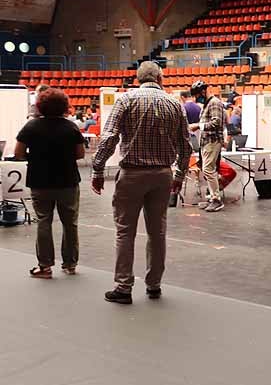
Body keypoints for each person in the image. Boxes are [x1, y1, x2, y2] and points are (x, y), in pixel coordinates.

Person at [92, 61, 191, 305]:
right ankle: (154, 284)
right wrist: (179, 175)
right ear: (160, 78)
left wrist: (97, 168)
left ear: (138, 78)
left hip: (132, 174)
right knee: (157, 232)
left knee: (125, 231)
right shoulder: (174, 103)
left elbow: (109, 137)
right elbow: (185, 144)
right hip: (162, 174)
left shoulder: (126, 100)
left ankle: (124, 286)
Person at [15, 88, 85, 278]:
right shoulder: (71, 127)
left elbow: (19, 153)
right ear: (64, 106)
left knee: (43, 222)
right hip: (68, 181)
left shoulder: (31, 127)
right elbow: (80, 154)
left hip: (40, 181)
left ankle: (45, 266)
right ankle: (70, 264)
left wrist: (36, 156)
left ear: (40, 106)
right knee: (70, 223)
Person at [189, 81, 226, 212]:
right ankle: (212, 198)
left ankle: (216, 199)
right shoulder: (207, 104)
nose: (195, 98)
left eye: (197, 95)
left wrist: (198, 125)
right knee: (208, 169)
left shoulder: (214, 103)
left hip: (212, 141)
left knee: (208, 169)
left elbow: (217, 122)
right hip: (206, 141)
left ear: (203, 92)